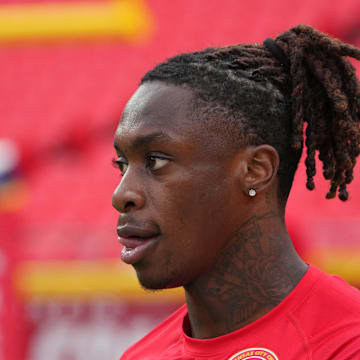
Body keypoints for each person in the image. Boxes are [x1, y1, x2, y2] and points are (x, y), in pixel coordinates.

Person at [112, 25, 360, 359]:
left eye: (155, 160)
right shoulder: (141, 355)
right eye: (122, 164)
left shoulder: (346, 342)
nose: (121, 194)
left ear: (255, 171)